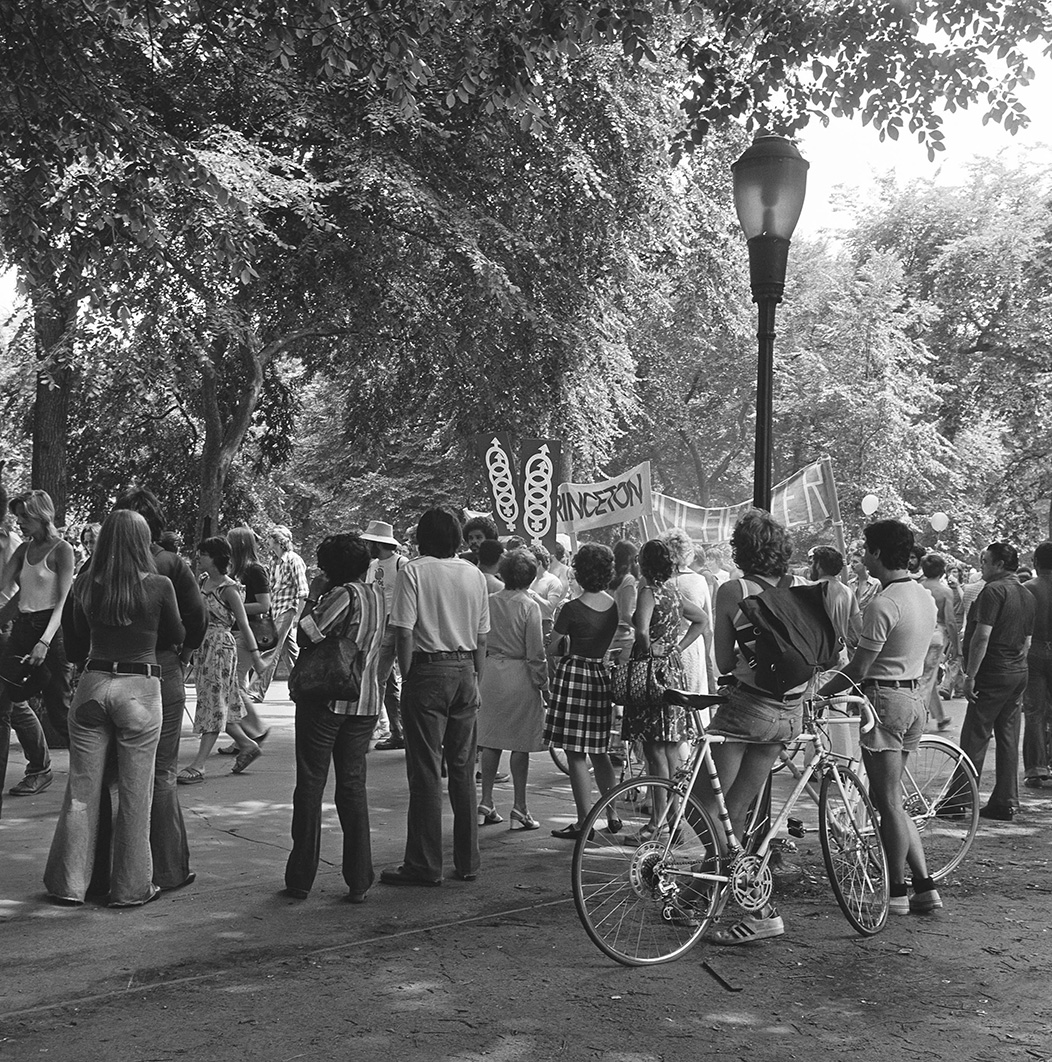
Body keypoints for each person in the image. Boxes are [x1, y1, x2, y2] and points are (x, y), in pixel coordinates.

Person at [45, 510, 184, 906]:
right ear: (143, 543)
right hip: (139, 687)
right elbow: (177, 634)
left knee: (81, 791)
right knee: (135, 794)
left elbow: (73, 643)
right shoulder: (159, 585)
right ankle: (131, 888)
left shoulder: (86, 585)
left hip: (93, 683)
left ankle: (69, 885)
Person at [695, 509, 810, 944]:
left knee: (706, 806)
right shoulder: (797, 590)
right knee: (735, 812)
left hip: (747, 708)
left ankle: (758, 907)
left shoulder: (733, 590)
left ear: (741, 550)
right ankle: (702, 898)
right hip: (788, 713)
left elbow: (724, 662)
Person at [820, 519, 942, 917]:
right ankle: (924, 887)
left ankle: (896, 891)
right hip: (912, 699)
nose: (862, 557)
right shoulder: (923, 596)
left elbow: (858, 667)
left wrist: (819, 695)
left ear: (876, 553)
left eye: (866, 549)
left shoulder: (883, 603)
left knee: (887, 801)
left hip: (883, 701)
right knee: (892, 799)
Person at [381, 508, 489, 886]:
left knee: (426, 771)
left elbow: (404, 632)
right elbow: (482, 635)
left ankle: (425, 864)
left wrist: (408, 675)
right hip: (465, 671)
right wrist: (475, 676)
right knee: (462, 770)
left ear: (422, 537)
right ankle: (468, 861)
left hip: (428, 670)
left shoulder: (413, 571)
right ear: (457, 538)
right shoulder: (473, 573)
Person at [108, 487, 207, 892]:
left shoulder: (99, 569)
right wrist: (180, 657)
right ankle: (167, 870)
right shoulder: (171, 565)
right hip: (160, 670)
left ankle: (113, 870)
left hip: (106, 676)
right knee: (161, 775)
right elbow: (195, 622)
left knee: (116, 777)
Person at [284, 533, 386, 902]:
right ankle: (359, 879)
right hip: (365, 702)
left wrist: (313, 595)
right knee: (353, 788)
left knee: (311, 785)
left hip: (327, 700)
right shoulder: (377, 595)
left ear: (331, 569)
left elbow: (308, 632)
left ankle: (300, 879)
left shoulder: (343, 595)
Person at [622, 539, 704, 840]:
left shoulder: (648, 591)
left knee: (655, 751)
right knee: (669, 750)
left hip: (651, 675)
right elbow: (701, 620)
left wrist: (648, 652)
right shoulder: (673, 590)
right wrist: (675, 648)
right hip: (672, 673)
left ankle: (655, 826)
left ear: (645, 562)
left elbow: (641, 630)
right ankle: (674, 822)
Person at [0, 490, 75, 814]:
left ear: (41, 516)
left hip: (51, 633)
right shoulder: (23, 550)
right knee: (4, 699)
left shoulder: (62, 550)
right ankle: (36, 770)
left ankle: (93, 774)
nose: (19, 522)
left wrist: (44, 642)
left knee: (60, 711)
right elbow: (6, 588)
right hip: (21, 629)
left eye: (24, 517)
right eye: (17, 517)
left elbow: (62, 603)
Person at [543, 542, 620, 840]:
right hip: (600, 675)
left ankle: (583, 821)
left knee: (575, 753)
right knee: (600, 751)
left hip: (574, 675)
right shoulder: (613, 606)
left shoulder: (570, 609)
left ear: (579, 572)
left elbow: (553, 647)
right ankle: (611, 813)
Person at [178, 537, 266, 782]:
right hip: (203, 647)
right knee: (215, 703)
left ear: (215, 557)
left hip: (220, 649)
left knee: (214, 704)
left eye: (203, 554)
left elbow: (244, 624)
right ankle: (247, 744)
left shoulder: (229, 588)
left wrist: (257, 657)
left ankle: (199, 764)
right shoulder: (204, 581)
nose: (199, 558)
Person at [958, 541, 1035, 821]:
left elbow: (982, 635)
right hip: (1017, 671)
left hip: (993, 672)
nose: (982, 565)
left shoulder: (993, 591)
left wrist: (971, 675)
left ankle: (959, 799)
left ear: (1000, 565)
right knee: (1008, 736)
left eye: (986, 561)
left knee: (975, 736)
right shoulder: (1026, 594)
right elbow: (1026, 641)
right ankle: (1005, 800)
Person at [477, 549, 549, 830]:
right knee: (521, 745)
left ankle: (486, 800)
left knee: (491, 738)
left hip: (491, 673)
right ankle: (520, 806)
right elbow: (536, 652)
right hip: (520, 677)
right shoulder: (529, 606)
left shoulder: (490, 601)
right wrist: (543, 683)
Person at [362, 519, 409, 751]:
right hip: (378, 625)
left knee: (376, 679)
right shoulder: (373, 565)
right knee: (386, 682)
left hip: (395, 625)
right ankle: (397, 731)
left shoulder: (401, 563)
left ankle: (367, 729)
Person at [250, 525, 309, 702]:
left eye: (270, 538)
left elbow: (303, 591)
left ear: (278, 541)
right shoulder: (274, 561)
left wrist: (297, 617)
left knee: (270, 650)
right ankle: (304, 687)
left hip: (287, 610)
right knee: (290, 654)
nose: (267, 541)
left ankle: (255, 691)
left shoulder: (294, 560)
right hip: (275, 610)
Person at [662, 526, 715, 694]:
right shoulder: (699, 581)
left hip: (664, 646)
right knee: (694, 698)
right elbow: (709, 627)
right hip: (692, 645)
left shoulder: (657, 582)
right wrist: (706, 654)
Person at [918, 554, 960, 731]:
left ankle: (940, 716)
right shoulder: (945, 592)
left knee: (927, 676)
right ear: (943, 571)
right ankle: (917, 719)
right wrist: (957, 648)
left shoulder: (918, 587)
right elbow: (950, 621)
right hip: (936, 636)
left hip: (918, 634)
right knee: (926, 678)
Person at [1022, 543, 1052, 788]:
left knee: (1034, 711)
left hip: (1034, 651)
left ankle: (1036, 768)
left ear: (1036, 563)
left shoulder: (1028, 589)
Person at [809, 545, 862, 661]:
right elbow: (859, 628)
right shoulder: (848, 592)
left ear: (818, 565)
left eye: (812, 563)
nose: (810, 567)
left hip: (817, 657)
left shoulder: (809, 590)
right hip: (841, 657)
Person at [607, 539, 639, 664]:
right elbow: (626, 614)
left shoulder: (610, 578)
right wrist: (643, 630)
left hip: (610, 635)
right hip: (625, 638)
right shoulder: (628, 579)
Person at [528, 544, 565, 639]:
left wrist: (533, 595)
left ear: (539, 563)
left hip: (544, 624)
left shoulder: (553, 581)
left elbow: (550, 608)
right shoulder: (529, 579)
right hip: (527, 622)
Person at [848, 548, 882, 613]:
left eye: (855, 562)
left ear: (864, 564)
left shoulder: (876, 584)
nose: (852, 565)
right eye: (851, 561)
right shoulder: (850, 583)